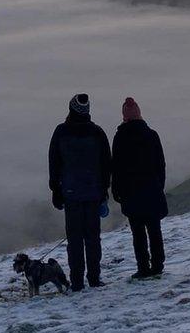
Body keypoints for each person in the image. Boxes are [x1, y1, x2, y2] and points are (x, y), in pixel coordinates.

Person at [48, 93, 112, 290]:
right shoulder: (97, 132)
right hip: (93, 193)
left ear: (71, 110)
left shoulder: (61, 132)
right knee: (93, 238)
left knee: (74, 239)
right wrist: (104, 189)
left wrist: (56, 190)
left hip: (70, 193)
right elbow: (106, 163)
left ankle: (77, 281)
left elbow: (54, 162)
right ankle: (94, 278)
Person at [112, 97, 168, 279]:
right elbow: (161, 164)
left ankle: (143, 267)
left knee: (138, 232)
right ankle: (158, 265)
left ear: (124, 116)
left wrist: (116, 190)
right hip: (152, 190)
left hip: (131, 192)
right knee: (154, 229)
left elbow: (116, 167)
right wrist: (159, 185)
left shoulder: (120, 137)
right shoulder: (152, 135)